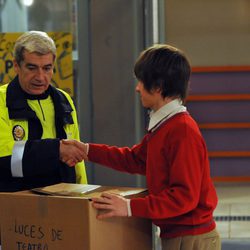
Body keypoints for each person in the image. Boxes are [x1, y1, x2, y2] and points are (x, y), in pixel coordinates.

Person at [63, 44, 221, 250]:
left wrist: (129, 207)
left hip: (192, 238)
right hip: (180, 235)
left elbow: (184, 197)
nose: (137, 87)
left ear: (158, 86)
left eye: (141, 81)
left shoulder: (181, 130)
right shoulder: (164, 125)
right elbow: (135, 159)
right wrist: (87, 151)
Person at [0, 31, 87, 192]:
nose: (40, 77)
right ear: (16, 66)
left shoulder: (63, 100)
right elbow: (6, 160)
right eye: (32, 68)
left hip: (63, 201)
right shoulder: (1, 101)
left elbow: (77, 160)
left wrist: (82, 194)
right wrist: (56, 149)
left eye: (47, 68)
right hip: (16, 202)